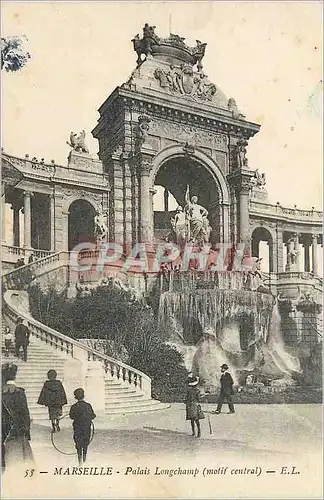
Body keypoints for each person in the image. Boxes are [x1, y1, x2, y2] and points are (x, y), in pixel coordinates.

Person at [2, 363, 33, 473]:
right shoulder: (20, 392)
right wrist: (27, 431)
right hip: (17, 431)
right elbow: (25, 414)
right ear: (15, 376)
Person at [69, 388, 96, 465]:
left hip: (77, 428)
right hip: (86, 427)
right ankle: (84, 459)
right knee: (85, 443)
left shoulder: (74, 406)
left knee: (78, 444)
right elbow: (93, 416)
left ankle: (79, 461)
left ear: (76, 397)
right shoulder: (88, 405)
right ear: (83, 396)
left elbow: (71, 416)